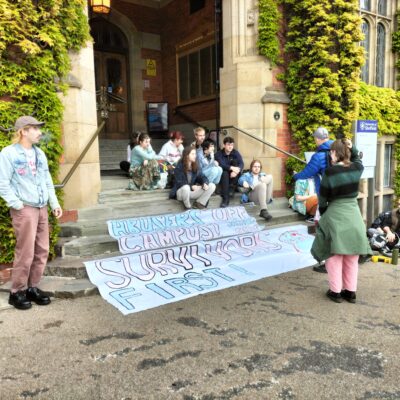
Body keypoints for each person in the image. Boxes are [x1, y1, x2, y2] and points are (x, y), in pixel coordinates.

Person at [0, 116, 63, 310]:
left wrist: (54, 203)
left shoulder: (39, 154)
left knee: (42, 249)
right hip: (24, 208)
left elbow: (46, 181)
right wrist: (16, 204)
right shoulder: (8, 153)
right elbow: (3, 183)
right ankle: (16, 291)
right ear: (23, 131)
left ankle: (32, 288)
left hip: (42, 207)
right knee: (25, 251)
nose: (39, 132)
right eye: (35, 129)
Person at [311, 138, 372, 304]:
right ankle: (350, 292)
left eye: (331, 151)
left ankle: (335, 291)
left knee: (334, 254)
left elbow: (322, 199)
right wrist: (353, 147)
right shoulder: (357, 168)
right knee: (352, 254)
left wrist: (323, 214)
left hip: (336, 213)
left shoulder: (330, 172)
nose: (330, 154)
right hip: (354, 214)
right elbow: (358, 159)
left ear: (335, 153)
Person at [293, 126, 334, 272]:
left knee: (323, 229)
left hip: (325, 198)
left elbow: (307, 172)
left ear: (317, 139)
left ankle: (328, 262)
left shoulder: (319, 156)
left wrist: (296, 176)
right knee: (333, 229)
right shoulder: (338, 150)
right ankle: (336, 260)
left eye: (314, 138)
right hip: (339, 197)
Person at [215, 136, 244, 208]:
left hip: (234, 176)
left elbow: (241, 163)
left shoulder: (235, 153)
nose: (230, 146)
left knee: (235, 162)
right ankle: (225, 199)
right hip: (224, 176)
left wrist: (237, 170)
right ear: (224, 145)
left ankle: (232, 188)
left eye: (231, 145)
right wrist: (231, 168)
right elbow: (221, 165)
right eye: (228, 144)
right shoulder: (219, 154)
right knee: (224, 173)